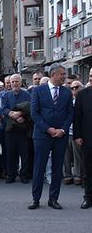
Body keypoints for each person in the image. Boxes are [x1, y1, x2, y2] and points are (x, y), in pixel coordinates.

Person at [28, 63, 74, 210]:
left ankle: (53, 199)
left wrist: (63, 130)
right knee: (39, 167)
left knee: (56, 168)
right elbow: (34, 113)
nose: (64, 77)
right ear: (54, 75)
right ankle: (36, 199)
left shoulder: (66, 92)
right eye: (62, 74)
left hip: (60, 136)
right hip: (42, 135)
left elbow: (70, 114)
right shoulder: (38, 91)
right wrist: (48, 129)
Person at [0, 74, 32, 183]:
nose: (14, 84)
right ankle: (11, 175)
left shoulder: (27, 94)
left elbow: (31, 108)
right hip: (10, 129)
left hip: (23, 129)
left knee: (24, 153)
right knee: (10, 153)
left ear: (20, 82)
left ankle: (24, 175)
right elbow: (3, 109)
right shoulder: (6, 95)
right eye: (12, 82)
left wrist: (21, 114)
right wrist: (10, 113)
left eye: (16, 81)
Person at [74, 80, 92, 209]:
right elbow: (77, 117)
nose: (91, 78)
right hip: (87, 139)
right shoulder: (82, 95)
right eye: (90, 75)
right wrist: (77, 136)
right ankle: (88, 197)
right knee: (88, 171)